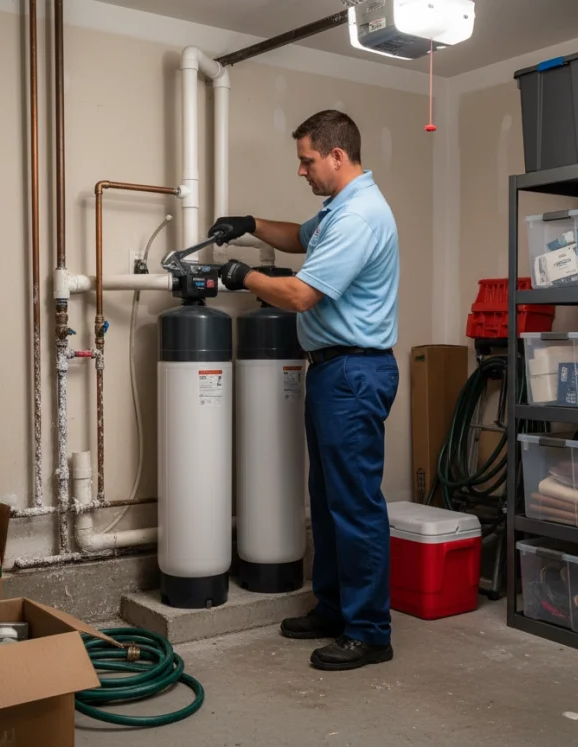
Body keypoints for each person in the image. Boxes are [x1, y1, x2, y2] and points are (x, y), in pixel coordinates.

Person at [210, 109, 400, 672]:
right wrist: (249, 223)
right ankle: (335, 608)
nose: (302, 170)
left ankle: (369, 631)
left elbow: (299, 296)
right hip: (331, 372)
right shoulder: (339, 208)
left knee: (355, 505)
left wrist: (242, 276)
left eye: (307, 160)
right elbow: (298, 236)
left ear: (337, 156)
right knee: (328, 498)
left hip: (353, 373)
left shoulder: (359, 216)